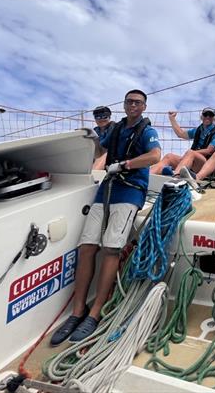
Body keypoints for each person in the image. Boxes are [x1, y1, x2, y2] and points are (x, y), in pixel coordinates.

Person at [51, 89, 160, 345]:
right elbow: (100, 150)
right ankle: (77, 312)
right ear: (123, 105)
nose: (132, 105)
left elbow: (155, 156)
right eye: (129, 101)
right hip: (106, 190)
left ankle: (95, 312)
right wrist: (88, 139)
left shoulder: (147, 131)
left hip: (130, 191)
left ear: (144, 107)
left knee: (111, 249)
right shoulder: (116, 128)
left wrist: (124, 165)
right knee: (87, 247)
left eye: (137, 102)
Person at [152, 108, 215, 175]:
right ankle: (149, 175)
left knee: (191, 153)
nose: (208, 117)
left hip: (205, 164)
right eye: (205, 115)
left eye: (211, 115)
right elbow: (180, 134)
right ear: (201, 117)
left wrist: (191, 153)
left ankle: (175, 177)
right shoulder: (197, 131)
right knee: (169, 156)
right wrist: (172, 119)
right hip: (192, 161)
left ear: (214, 118)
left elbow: (209, 151)